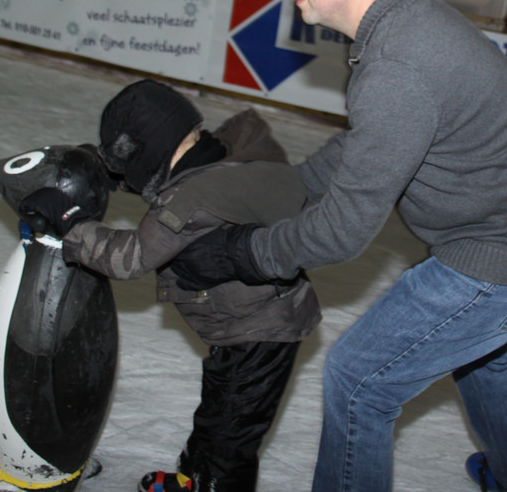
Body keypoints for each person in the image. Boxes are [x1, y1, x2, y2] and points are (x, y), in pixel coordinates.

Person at [168, 0, 507, 492]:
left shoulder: (396, 64)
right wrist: (282, 188)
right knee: (481, 359)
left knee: (358, 381)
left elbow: (342, 232)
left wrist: (240, 252)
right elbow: (365, 146)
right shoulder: (403, 23)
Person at [19, 79, 321, 492]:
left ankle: (213, 483)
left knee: (229, 441)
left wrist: (71, 224)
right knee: (216, 417)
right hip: (248, 323)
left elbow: (130, 257)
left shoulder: (190, 201)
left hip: (260, 333)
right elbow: (170, 178)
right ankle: (192, 478)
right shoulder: (223, 154)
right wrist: (112, 170)